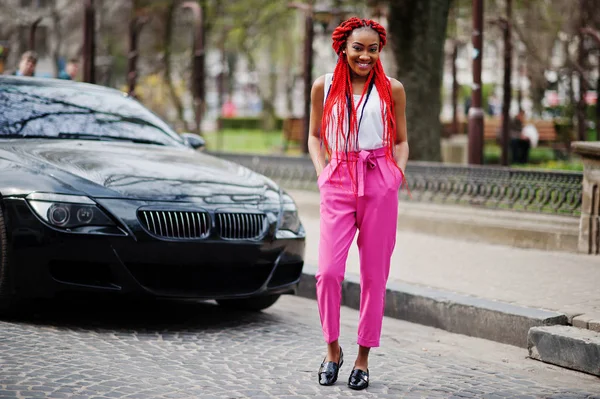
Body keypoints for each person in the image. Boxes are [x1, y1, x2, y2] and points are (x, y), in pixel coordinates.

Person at [308, 17, 409, 390]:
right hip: (338, 178)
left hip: (379, 178)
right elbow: (315, 137)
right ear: (343, 48)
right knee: (328, 272)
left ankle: (363, 358)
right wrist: (323, 173)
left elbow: (401, 139)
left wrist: (394, 175)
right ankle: (332, 350)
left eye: (373, 49)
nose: (365, 56)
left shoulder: (392, 89)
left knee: (373, 275)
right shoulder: (325, 85)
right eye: (358, 48)